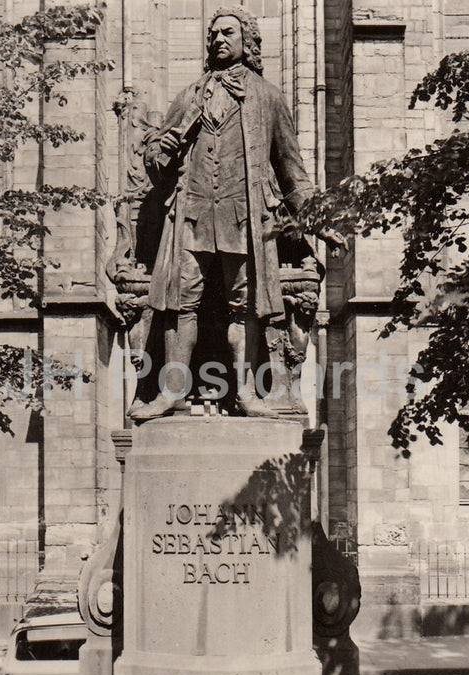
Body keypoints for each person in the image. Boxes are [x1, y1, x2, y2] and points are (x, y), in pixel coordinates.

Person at [129, 6, 344, 420]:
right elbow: (155, 162)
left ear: (247, 40)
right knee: (179, 301)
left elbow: (292, 172)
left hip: (244, 219)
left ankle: (246, 393)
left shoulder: (268, 97)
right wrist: (169, 142)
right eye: (213, 35)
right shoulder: (190, 95)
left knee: (243, 305)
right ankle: (173, 391)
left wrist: (321, 224)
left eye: (227, 33)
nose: (218, 40)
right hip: (190, 216)